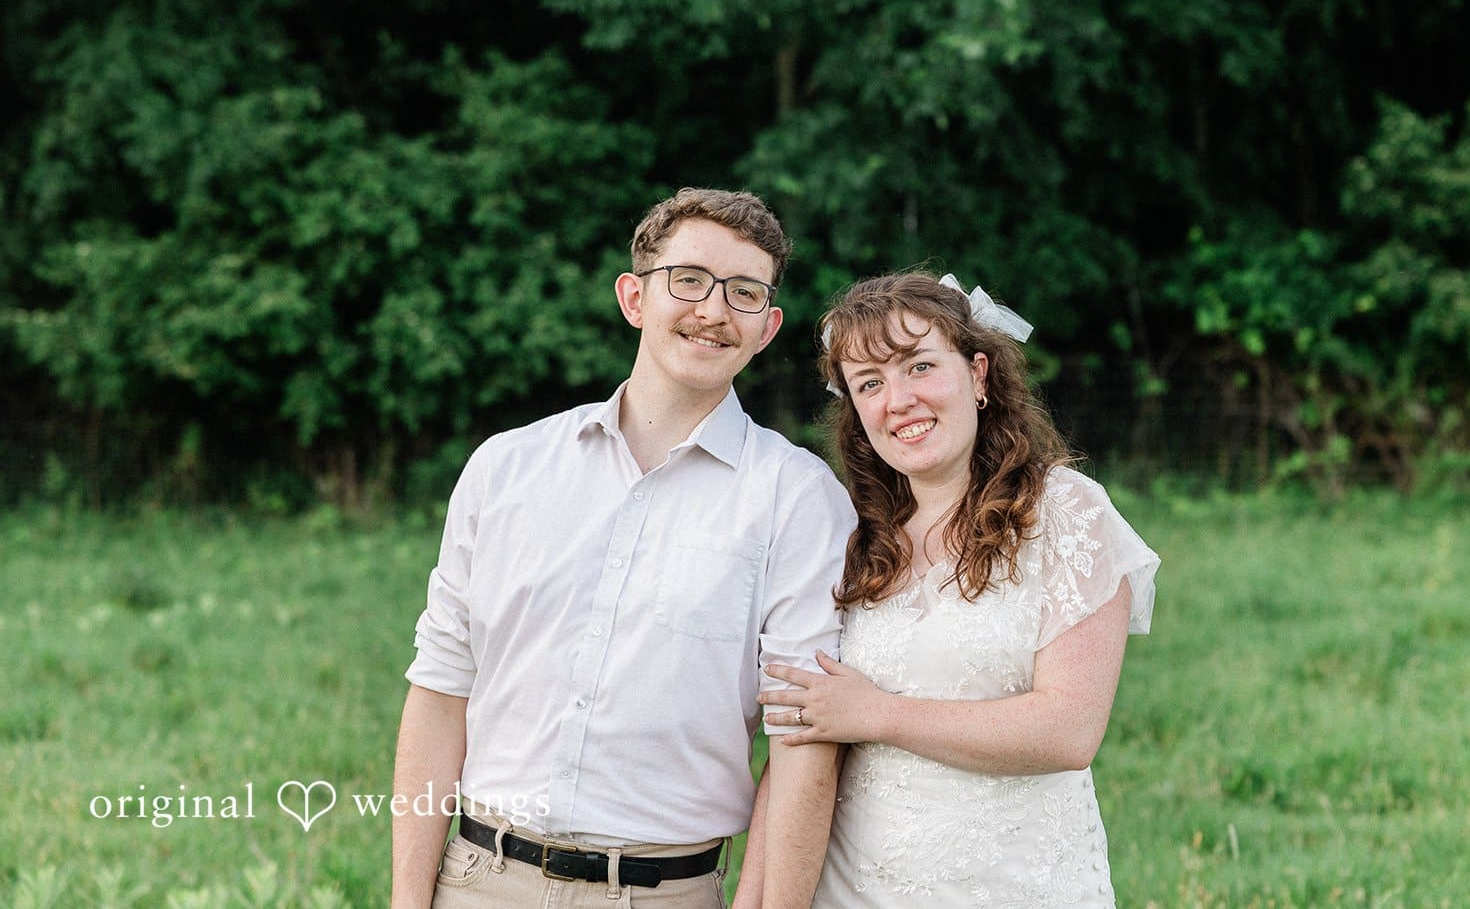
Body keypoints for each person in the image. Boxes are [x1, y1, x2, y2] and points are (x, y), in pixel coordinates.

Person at [391, 188, 854, 909]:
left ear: (768, 327)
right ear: (634, 297)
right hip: (476, 879)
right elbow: (441, 692)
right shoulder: (505, 467)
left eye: (745, 292)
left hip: (663, 892)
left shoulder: (797, 497)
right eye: (689, 280)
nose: (713, 309)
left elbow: (802, 741)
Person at [757, 271, 1160, 906]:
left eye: (918, 366)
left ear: (978, 375)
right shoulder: (854, 540)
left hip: (1013, 886)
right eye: (870, 383)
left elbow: (1070, 731)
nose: (898, 400)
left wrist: (880, 715)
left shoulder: (1067, 513)